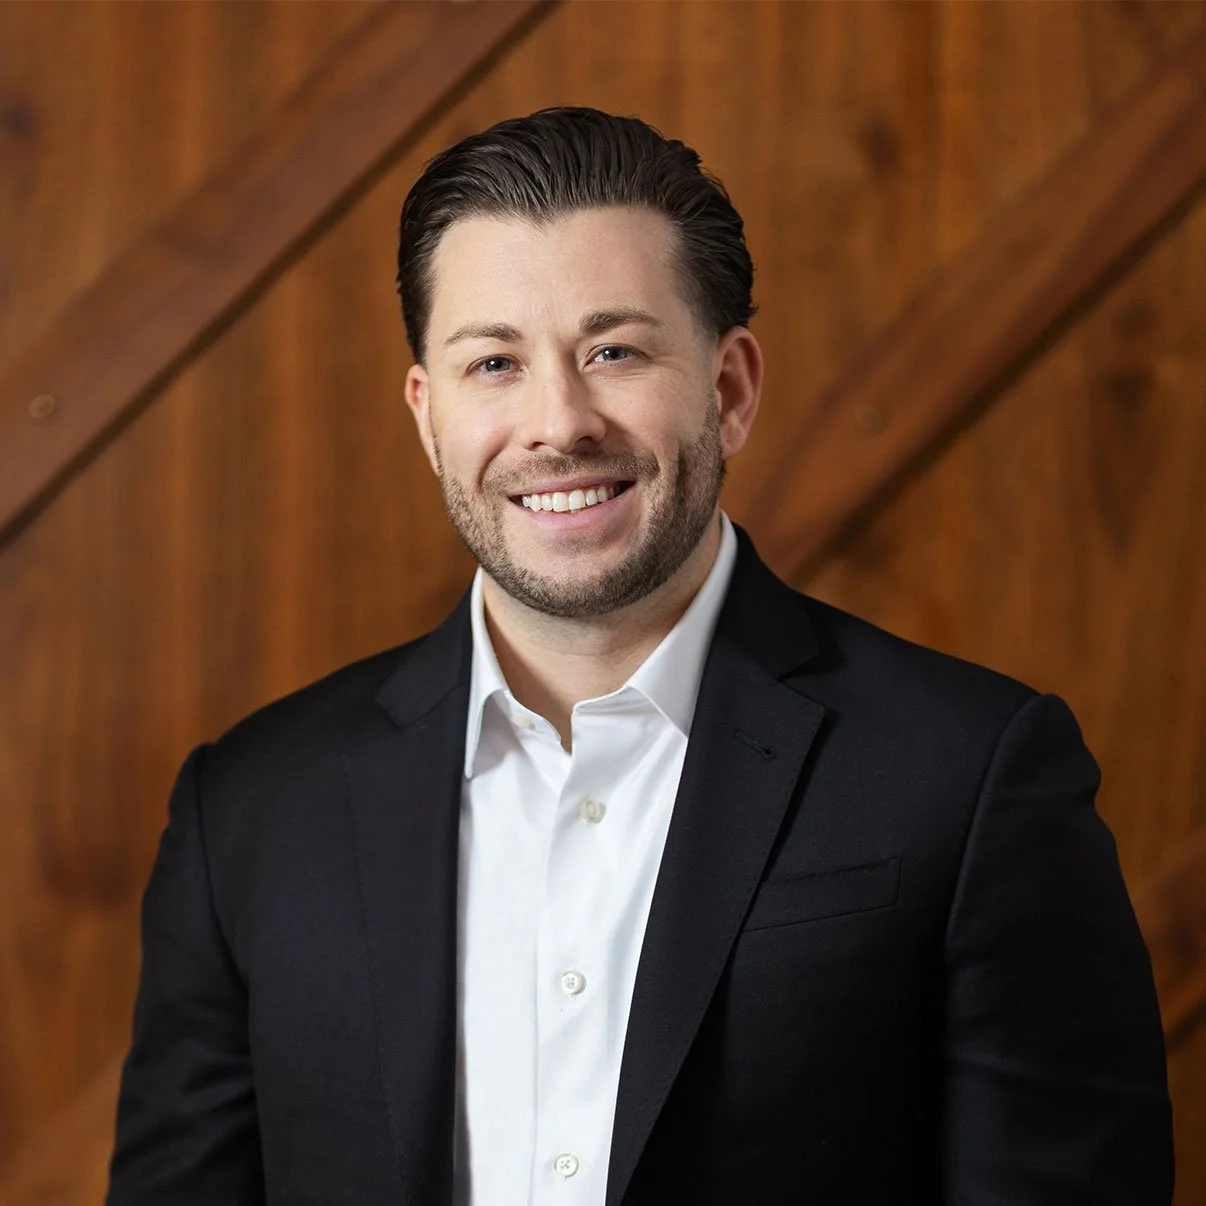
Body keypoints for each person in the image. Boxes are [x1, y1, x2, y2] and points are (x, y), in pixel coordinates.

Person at [107, 107, 1172, 1206]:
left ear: (730, 387)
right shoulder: (246, 810)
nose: (557, 423)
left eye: (613, 351)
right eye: (494, 363)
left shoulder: (971, 774)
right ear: (427, 416)